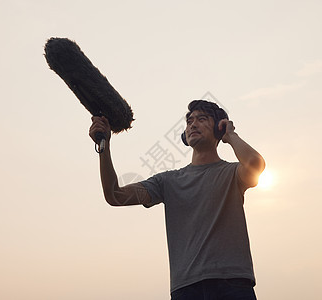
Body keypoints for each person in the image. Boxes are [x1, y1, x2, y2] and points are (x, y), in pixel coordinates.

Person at [89, 100, 265, 300]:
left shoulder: (232, 173)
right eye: (189, 121)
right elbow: (115, 195)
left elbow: (255, 163)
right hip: (186, 288)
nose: (193, 124)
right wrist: (103, 145)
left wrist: (230, 135)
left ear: (218, 128)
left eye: (202, 119)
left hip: (232, 284)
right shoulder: (167, 181)